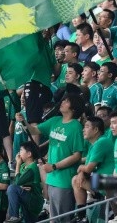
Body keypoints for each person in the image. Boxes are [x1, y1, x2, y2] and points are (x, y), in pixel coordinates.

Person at [26, 93, 85, 221]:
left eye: (66, 101)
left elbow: (77, 155)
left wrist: (54, 166)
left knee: (63, 218)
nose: (62, 102)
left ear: (74, 108)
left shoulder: (76, 126)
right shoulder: (55, 120)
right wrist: (23, 121)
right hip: (51, 178)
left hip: (64, 179)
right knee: (53, 217)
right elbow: (34, 130)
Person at [6, 141, 43, 223]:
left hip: (34, 201)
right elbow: (16, 181)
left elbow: (17, 182)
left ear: (29, 154)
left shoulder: (32, 168)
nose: (19, 153)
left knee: (12, 188)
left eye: (21, 150)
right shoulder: (23, 166)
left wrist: (18, 164)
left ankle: (14, 216)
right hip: (26, 199)